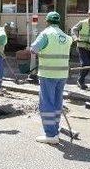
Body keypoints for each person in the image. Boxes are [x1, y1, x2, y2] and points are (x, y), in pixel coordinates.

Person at [30, 11, 72, 144]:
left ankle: (51, 134)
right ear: (59, 22)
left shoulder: (46, 34)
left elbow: (34, 49)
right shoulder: (66, 37)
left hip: (48, 74)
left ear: (47, 21)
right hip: (62, 74)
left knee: (47, 103)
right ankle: (55, 130)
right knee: (57, 102)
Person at [71, 7, 90, 90]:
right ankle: (81, 81)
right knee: (85, 63)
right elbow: (73, 30)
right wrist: (75, 38)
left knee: (89, 65)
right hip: (82, 46)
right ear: (89, 14)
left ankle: (80, 79)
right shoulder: (82, 23)